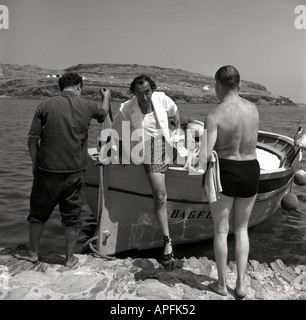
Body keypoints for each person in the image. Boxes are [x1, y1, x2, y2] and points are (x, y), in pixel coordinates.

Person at [14, 72, 111, 267]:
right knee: (72, 217)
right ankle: (69, 258)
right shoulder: (87, 105)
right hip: (74, 172)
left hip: (46, 170)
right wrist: (106, 97)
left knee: (37, 215)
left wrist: (35, 165)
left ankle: (33, 253)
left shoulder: (44, 106)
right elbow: (103, 113)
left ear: (61, 87)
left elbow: (33, 140)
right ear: (78, 87)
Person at [202, 65, 260, 298]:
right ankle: (242, 285)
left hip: (226, 171)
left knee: (221, 230)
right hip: (250, 169)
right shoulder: (253, 109)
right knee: (242, 228)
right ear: (239, 84)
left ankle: (222, 285)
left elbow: (205, 154)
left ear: (218, 84)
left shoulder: (214, 115)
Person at [112, 75, 180, 266]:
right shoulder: (127, 108)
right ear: (133, 93)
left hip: (168, 143)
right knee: (160, 195)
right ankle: (167, 241)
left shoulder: (162, 99)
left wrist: (176, 134)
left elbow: (175, 113)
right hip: (148, 148)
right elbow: (117, 131)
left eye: (148, 91)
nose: (145, 97)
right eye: (140, 93)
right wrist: (121, 154)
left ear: (152, 89)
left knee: (196, 144)